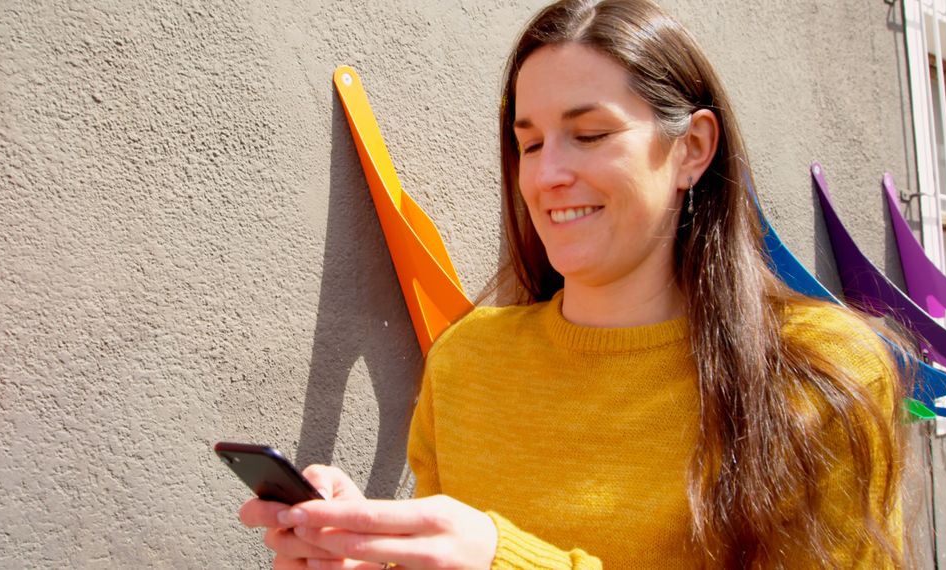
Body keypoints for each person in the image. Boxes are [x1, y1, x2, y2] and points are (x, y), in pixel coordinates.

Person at [239, 0, 908, 567]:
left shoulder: (821, 371)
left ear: (692, 149)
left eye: (589, 134)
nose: (547, 174)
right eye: (529, 143)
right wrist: (365, 551)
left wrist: (503, 556)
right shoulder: (467, 361)